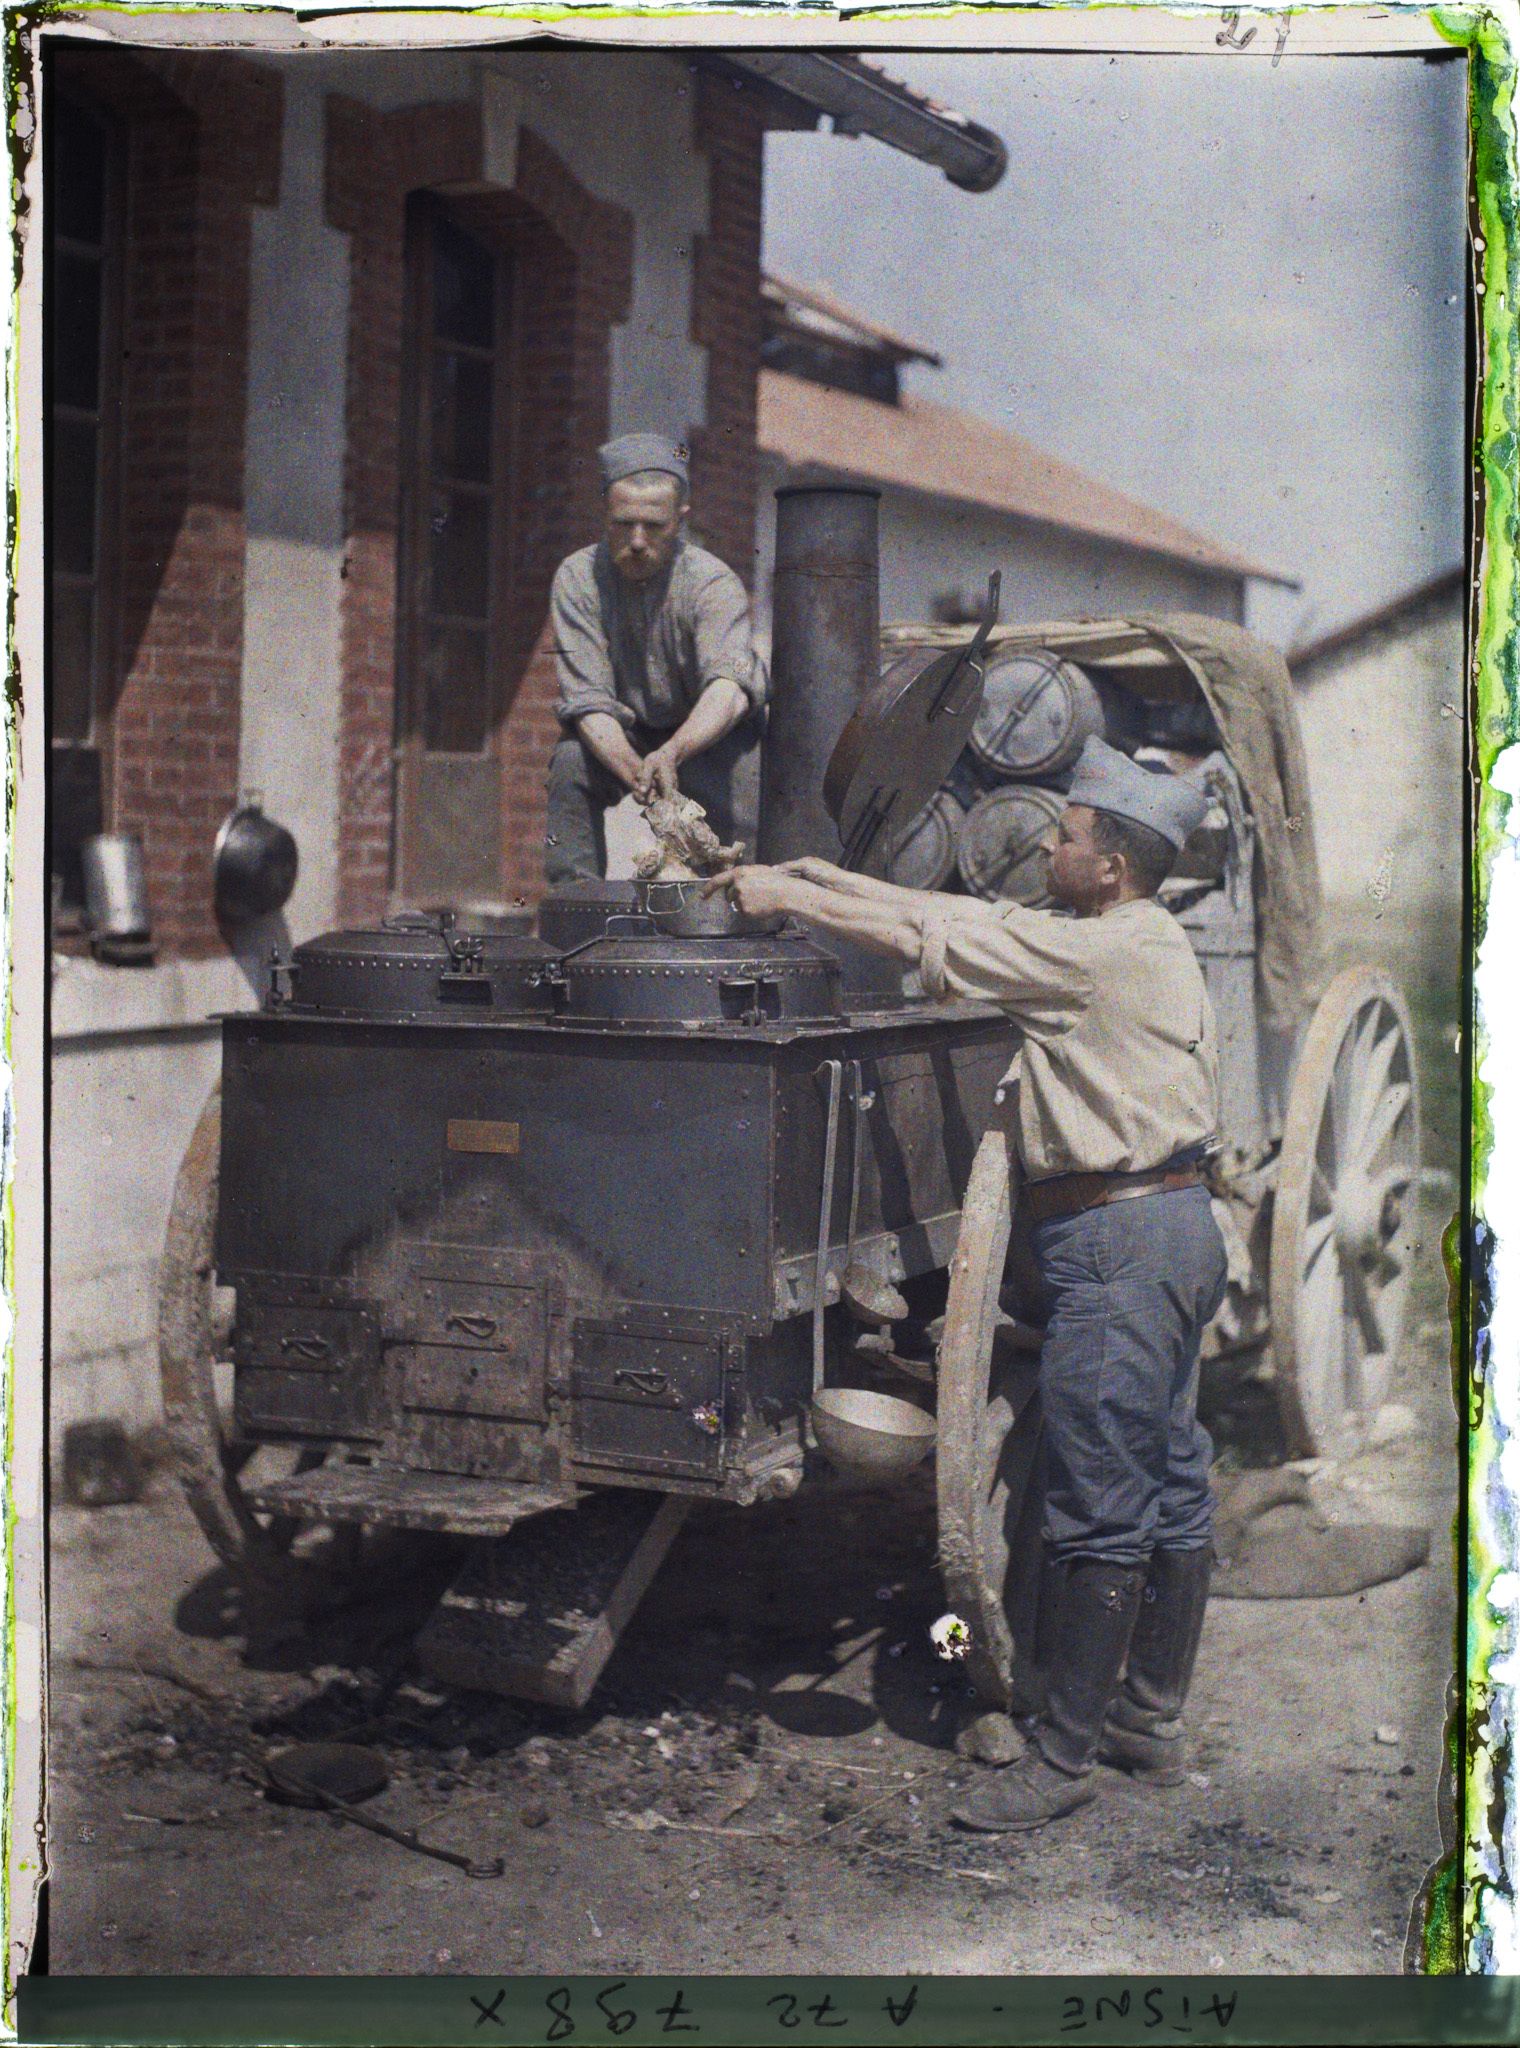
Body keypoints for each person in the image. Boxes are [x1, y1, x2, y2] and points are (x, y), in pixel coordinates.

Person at [710, 737, 1227, 1833]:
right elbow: (944, 910)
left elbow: (926, 935)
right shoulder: (1140, 937)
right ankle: (1147, 1719)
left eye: (1066, 836)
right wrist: (814, 877)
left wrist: (786, 899)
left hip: (1115, 1245)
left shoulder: (1087, 956)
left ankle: (1063, 1757)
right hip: (1174, 1230)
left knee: (1097, 1501)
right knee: (1172, 1476)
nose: (1046, 846)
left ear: (1110, 865)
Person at [545, 432, 766, 886]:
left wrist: (673, 752)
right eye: (623, 524)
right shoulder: (577, 578)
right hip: (628, 732)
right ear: (604, 514)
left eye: (655, 526)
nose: (638, 541)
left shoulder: (713, 583)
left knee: (747, 806)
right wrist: (636, 771)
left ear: (680, 520)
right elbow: (587, 702)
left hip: (711, 733)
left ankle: (743, 907)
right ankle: (577, 902)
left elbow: (729, 690)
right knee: (570, 763)